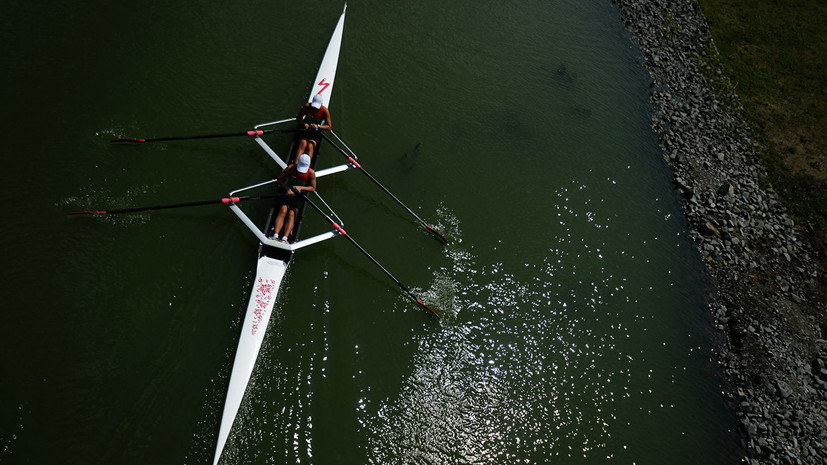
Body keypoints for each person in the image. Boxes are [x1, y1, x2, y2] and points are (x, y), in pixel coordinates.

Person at [272, 153, 316, 242]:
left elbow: (312, 188)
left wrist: (301, 187)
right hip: (286, 192)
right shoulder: (291, 168)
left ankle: (285, 238)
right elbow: (280, 179)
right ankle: (275, 235)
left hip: (299, 195)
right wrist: (287, 189)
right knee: (283, 210)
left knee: (292, 213)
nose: (300, 171)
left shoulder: (311, 173)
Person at [293, 93, 332, 161]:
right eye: (313, 106)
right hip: (305, 129)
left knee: (310, 146)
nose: (314, 109)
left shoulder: (325, 111)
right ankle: (296, 164)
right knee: (303, 144)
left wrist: (318, 126)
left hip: (316, 131)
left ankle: (307, 166)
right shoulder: (307, 106)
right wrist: (304, 124)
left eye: (316, 107)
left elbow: (329, 127)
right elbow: (298, 118)